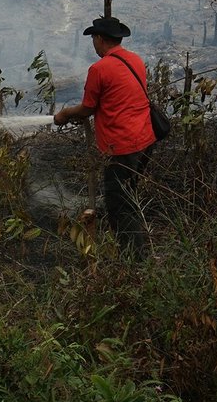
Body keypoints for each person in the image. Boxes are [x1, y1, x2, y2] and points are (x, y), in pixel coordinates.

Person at [54, 15, 157, 252]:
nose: (93, 43)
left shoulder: (99, 69)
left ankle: (134, 259)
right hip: (144, 140)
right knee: (129, 196)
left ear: (100, 39)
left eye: (93, 38)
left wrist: (65, 113)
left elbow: (88, 108)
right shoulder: (135, 60)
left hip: (122, 146)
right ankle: (136, 249)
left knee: (119, 205)